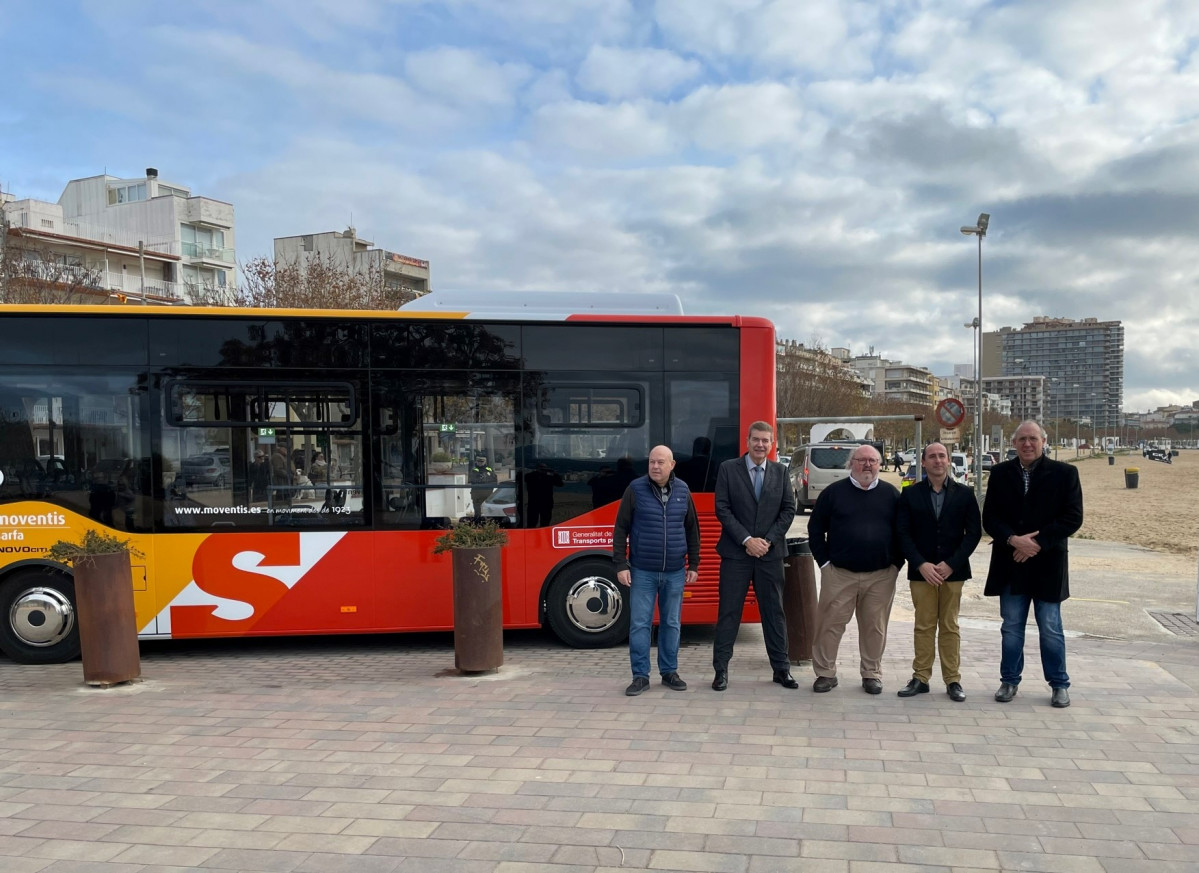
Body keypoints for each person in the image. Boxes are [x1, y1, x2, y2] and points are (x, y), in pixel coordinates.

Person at [983, 420, 1083, 708]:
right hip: (1010, 562)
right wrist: (1014, 540)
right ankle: (1009, 680)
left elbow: (1073, 517)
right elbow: (989, 518)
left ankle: (1059, 684)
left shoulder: (1065, 473)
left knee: (1051, 627)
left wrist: (1036, 544)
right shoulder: (1000, 473)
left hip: (1048, 564)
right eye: (1022, 439)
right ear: (1014, 443)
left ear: (1043, 441)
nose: (1028, 444)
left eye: (1033, 439)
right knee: (1012, 626)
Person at [807, 444, 903, 695]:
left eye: (873, 461)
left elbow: (904, 533)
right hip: (839, 573)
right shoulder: (833, 493)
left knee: (875, 627)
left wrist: (896, 564)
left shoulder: (891, 495)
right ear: (851, 463)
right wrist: (824, 564)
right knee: (829, 624)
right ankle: (825, 673)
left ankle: (871, 673)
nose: (868, 465)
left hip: (881, 575)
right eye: (862, 460)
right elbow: (815, 529)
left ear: (880, 465)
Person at [710, 421, 797, 691]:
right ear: (747, 441)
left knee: (774, 613)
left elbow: (788, 509)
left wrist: (767, 541)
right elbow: (722, 508)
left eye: (765, 441)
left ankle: (781, 670)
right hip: (736, 554)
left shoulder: (781, 472)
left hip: (770, 556)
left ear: (772, 445)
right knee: (729, 613)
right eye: (756, 439)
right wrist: (747, 540)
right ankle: (721, 670)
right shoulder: (728, 469)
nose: (760, 445)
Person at [895, 442, 981, 702]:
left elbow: (973, 533)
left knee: (949, 626)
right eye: (932, 456)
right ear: (923, 462)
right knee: (923, 625)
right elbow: (902, 533)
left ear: (949, 461)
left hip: (953, 573)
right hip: (922, 572)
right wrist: (921, 563)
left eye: (942, 456)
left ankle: (953, 680)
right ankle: (920, 678)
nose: (937, 460)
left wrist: (951, 563)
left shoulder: (965, 494)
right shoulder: (910, 494)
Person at [612, 445, 701, 696]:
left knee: (672, 624)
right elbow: (621, 529)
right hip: (643, 571)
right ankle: (640, 676)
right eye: (651, 462)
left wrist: (693, 563)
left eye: (661, 462)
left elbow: (692, 528)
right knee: (640, 624)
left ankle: (669, 672)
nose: (655, 466)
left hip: (674, 572)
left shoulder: (683, 490)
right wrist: (621, 564)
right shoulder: (635, 490)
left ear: (672, 465)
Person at [524, 463, 563, 527]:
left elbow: (560, 484)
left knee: (544, 523)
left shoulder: (548, 477)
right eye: (542, 468)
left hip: (542, 503)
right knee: (533, 523)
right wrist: (553, 474)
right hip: (537, 503)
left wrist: (554, 474)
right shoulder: (532, 476)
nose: (543, 470)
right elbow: (560, 483)